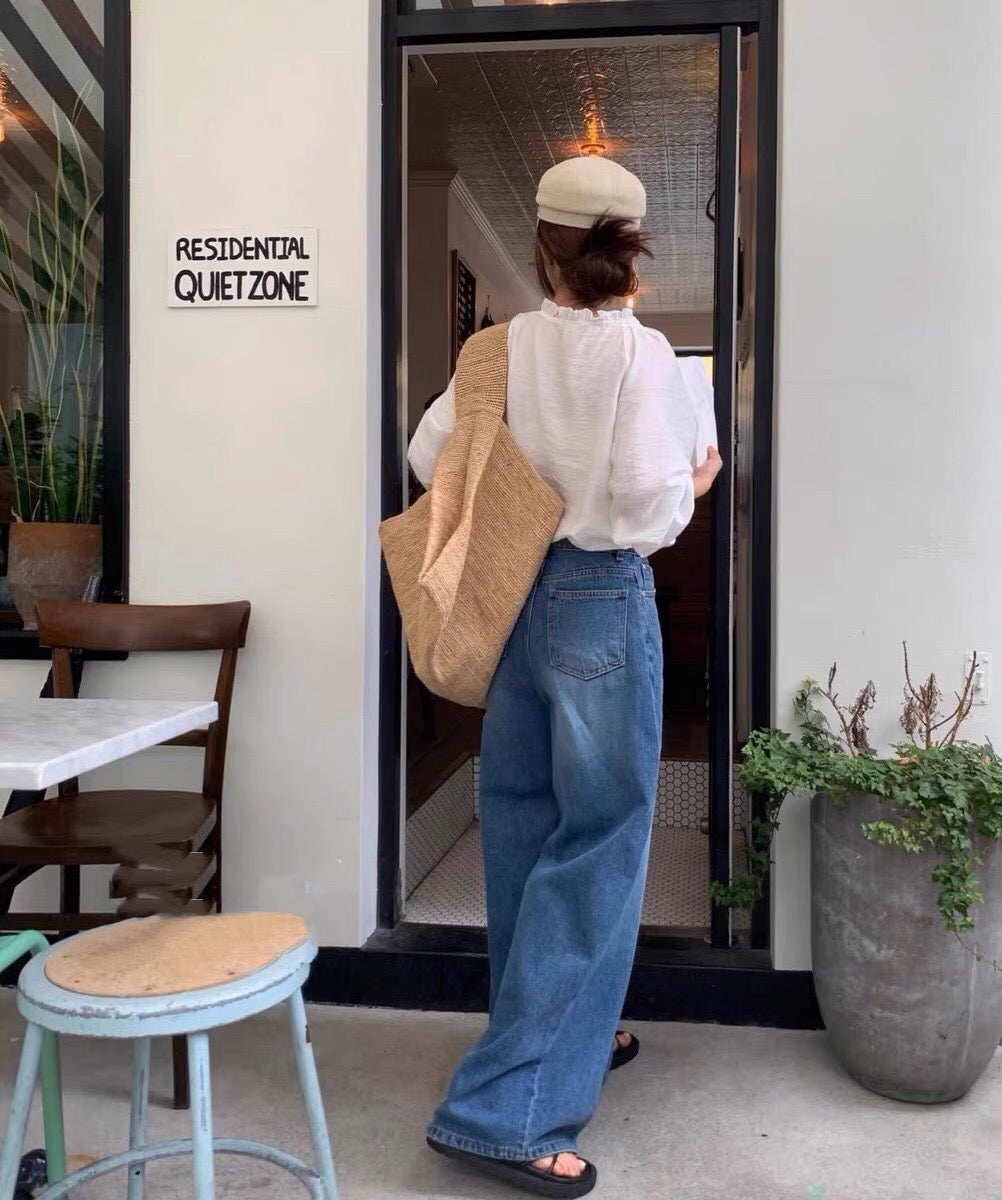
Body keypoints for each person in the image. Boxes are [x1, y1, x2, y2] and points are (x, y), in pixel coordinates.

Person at [407, 155, 723, 1198]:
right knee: (599, 844)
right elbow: (644, 501)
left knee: (523, 825)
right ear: (629, 257)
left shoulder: (493, 349)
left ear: (542, 248)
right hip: (598, 597)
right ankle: (507, 1109)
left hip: (511, 596)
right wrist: (692, 489)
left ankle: (562, 1035)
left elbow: (430, 461)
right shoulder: (644, 357)